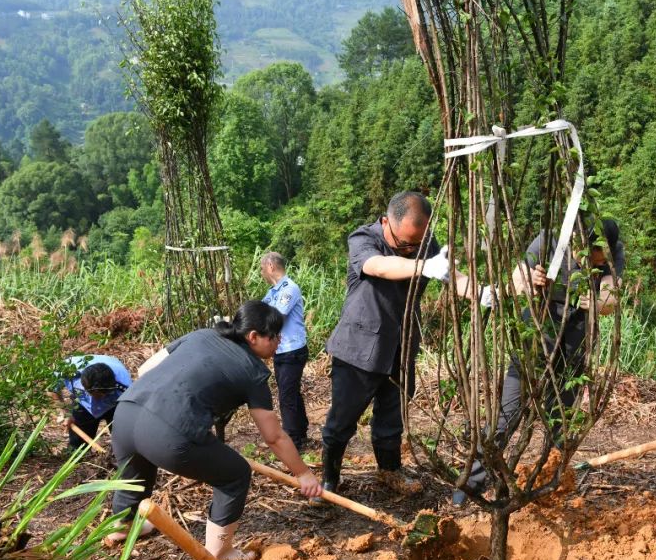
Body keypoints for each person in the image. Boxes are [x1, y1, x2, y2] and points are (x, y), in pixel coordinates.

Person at [107, 300, 321, 560]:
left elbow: (145, 368)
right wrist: (303, 473)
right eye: (275, 336)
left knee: (135, 469)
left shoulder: (202, 334)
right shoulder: (253, 373)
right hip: (168, 434)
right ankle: (220, 552)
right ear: (253, 336)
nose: (279, 342)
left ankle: (123, 525)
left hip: (126, 414)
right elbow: (274, 437)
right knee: (235, 474)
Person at [453, 218, 624, 505]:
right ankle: (470, 485)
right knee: (506, 416)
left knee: (561, 423)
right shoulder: (549, 240)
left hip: (575, 341)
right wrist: (530, 280)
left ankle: (549, 487)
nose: (600, 260)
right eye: (595, 254)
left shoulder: (612, 248)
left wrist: (599, 302)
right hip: (537, 332)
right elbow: (516, 278)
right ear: (581, 245)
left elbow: (611, 291)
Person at [320, 191, 455, 500]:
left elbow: (451, 273)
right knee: (343, 418)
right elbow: (379, 266)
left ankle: (389, 470)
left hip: (401, 345)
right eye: (405, 244)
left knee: (392, 416)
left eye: (416, 245)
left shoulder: (426, 245)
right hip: (359, 346)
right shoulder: (364, 238)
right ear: (386, 223)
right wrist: (423, 266)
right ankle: (330, 477)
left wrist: (483, 292)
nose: (411, 250)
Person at [260, 252, 310, 450]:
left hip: (292, 350)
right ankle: (301, 430)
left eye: (263, 268)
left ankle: (294, 442)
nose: (262, 273)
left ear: (271, 266)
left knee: (287, 397)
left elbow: (275, 316)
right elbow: (260, 311)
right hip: (282, 350)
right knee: (291, 392)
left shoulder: (289, 289)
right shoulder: (273, 291)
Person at [51, 355, 131, 451]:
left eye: (101, 395)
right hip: (83, 403)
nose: (97, 399)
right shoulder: (66, 370)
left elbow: (133, 408)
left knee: (123, 439)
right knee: (77, 446)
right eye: (94, 394)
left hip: (115, 403)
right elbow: (52, 389)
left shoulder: (125, 386)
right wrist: (64, 412)